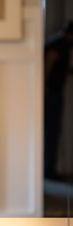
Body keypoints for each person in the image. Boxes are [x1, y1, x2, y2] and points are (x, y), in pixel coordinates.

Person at [44, 21, 73, 180]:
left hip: (53, 92)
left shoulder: (59, 42)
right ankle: (48, 171)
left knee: (52, 131)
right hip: (52, 93)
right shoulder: (61, 44)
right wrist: (44, 86)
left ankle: (49, 169)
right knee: (52, 131)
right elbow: (49, 61)